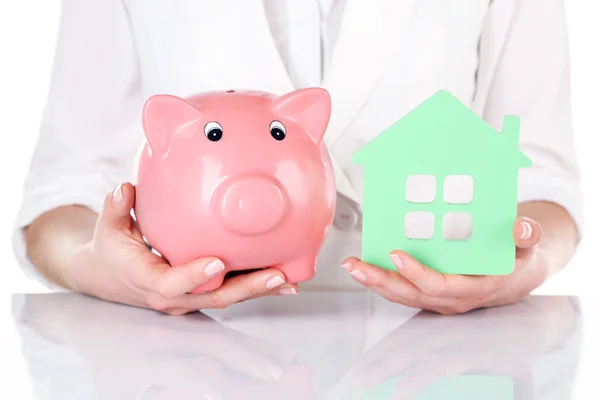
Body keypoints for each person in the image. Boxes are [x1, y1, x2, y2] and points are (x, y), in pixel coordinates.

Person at [15, 0, 582, 315]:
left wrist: (524, 262)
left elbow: (543, 180)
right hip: (189, 360)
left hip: (434, 354)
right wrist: (101, 264)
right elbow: (58, 202)